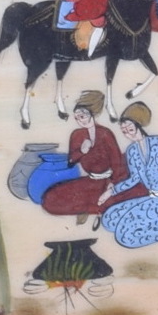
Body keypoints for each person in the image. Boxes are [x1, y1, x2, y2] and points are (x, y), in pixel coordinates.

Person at [98, 102, 158, 248]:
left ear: (140, 126)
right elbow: (134, 179)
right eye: (124, 131)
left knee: (124, 236)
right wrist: (111, 192)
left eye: (131, 129)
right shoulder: (132, 150)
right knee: (109, 219)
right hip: (152, 198)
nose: (128, 134)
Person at [31, 91, 127, 222]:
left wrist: (113, 184)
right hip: (89, 180)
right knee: (49, 199)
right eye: (76, 118)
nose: (79, 121)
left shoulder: (105, 133)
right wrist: (82, 151)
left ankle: (98, 209)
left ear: (92, 114)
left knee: (113, 199)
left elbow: (117, 162)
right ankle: (96, 208)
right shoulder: (77, 134)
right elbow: (71, 161)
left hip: (107, 182)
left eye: (82, 116)